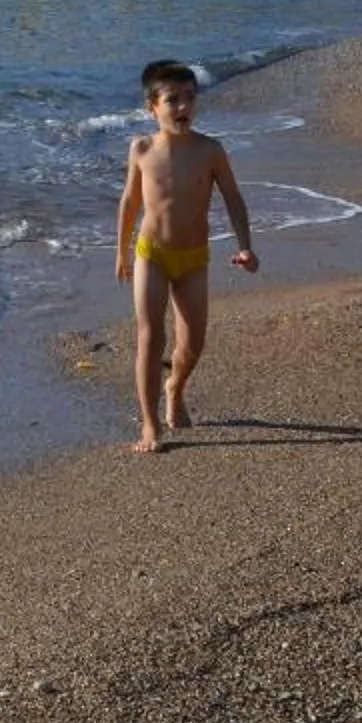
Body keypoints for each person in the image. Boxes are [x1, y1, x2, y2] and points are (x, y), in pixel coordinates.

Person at [114, 59, 258, 451]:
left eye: (190, 98)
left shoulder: (210, 151)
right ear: (152, 108)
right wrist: (122, 252)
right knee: (150, 335)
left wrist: (245, 246)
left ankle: (175, 387)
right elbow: (129, 202)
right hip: (152, 254)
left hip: (193, 259)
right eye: (172, 100)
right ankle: (149, 426)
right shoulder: (141, 149)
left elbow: (233, 199)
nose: (183, 107)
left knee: (193, 343)